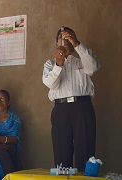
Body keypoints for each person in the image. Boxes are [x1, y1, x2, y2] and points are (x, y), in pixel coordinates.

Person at [42, 26, 101, 171]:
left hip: (83, 107)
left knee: (86, 151)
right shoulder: (50, 64)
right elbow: (49, 83)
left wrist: (77, 44)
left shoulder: (83, 59)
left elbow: (93, 68)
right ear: (57, 44)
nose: (66, 41)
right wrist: (59, 64)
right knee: (62, 152)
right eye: (62, 39)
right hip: (60, 110)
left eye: (69, 37)